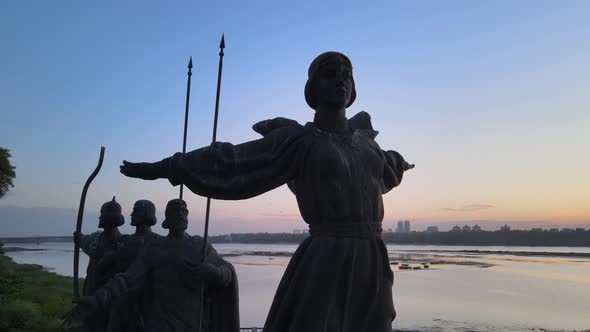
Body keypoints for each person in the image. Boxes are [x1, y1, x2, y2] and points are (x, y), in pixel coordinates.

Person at [119, 52, 414, 331]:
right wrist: (168, 167)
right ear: (312, 90)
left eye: (347, 75)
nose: (341, 80)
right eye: (330, 75)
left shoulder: (367, 145)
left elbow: (390, 166)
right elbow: (231, 161)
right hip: (327, 258)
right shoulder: (300, 142)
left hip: (372, 260)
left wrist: (403, 163)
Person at [64, 199, 239, 332]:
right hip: (159, 323)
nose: (180, 214)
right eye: (175, 211)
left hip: (192, 322)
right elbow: (126, 279)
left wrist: (216, 273)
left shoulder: (200, 246)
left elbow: (227, 270)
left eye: (184, 210)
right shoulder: (154, 248)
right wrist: (96, 300)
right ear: (166, 219)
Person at [106, 200, 160, 332]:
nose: (131, 214)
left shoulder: (157, 242)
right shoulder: (124, 241)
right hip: (122, 299)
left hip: (146, 301)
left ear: (147, 214)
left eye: (136, 211)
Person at [74, 196, 125, 331]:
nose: (100, 218)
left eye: (103, 215)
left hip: (110, 295)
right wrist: (79, 238)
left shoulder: (123, 243)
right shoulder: (96, 239)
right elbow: (83, 240)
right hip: (90, 289)